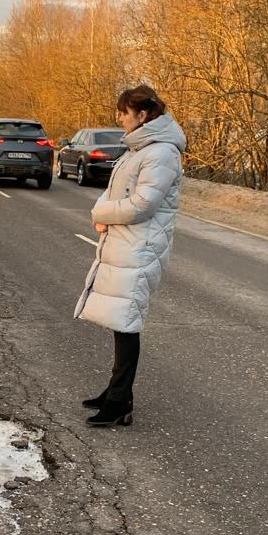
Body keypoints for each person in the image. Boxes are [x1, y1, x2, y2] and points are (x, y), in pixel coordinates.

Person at [74, 85, 186, 426]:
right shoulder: (142, 148)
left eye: (124, 111)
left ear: (143, 114)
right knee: (121, 321)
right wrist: (106, 215)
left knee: (127, 323)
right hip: (128, 242)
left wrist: (101, 212)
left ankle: (119, 401)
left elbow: (143, 203)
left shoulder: (161, 152)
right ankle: (116, 393)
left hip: (141, 246)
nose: (118, 117)